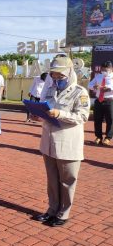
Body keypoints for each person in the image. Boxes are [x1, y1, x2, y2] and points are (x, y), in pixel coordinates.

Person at [33, 56, 90, 227]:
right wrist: (38, 115)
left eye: (60, 76)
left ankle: (63, 213)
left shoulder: (80, 92)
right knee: (52, 179)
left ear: (70, 73)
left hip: (67, 144)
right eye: (54, 76)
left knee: (67, 181)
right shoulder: (50, 90)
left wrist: (61, 114)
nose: (57, 79)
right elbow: (46, 111)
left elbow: (82, 116)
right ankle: (52, 210)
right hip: (49, 142)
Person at [88, 60, 113, 145]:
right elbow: (89, 85)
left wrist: (110, 88)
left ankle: (108, 137)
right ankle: (98, 137)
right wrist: (94, 86)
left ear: (111, 69)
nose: (104, 71)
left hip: (109, 101)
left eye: (106, 70)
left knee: (110, 120)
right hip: (99, 100)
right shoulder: (98, 76)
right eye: (103, 69)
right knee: (97, 120)